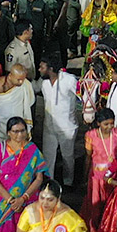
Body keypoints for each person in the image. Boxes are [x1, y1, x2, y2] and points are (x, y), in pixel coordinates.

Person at [39, 56, 81, 185]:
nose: (39, 69)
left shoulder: (69, 80)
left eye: (42, 67)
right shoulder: (44, 82)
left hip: (67, 127)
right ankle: (49, 183)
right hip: (49, 127)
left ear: (51, 69)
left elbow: (83, 95)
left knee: (67, 157)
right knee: (47, 157)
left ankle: (68, 182)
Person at [0, 65, 36, 143]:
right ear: (10, 76)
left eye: (23, 79)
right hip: (0, 127)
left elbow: (29, 105)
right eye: (18, 80)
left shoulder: (26, 84)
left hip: (18, 128)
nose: (21, 82)